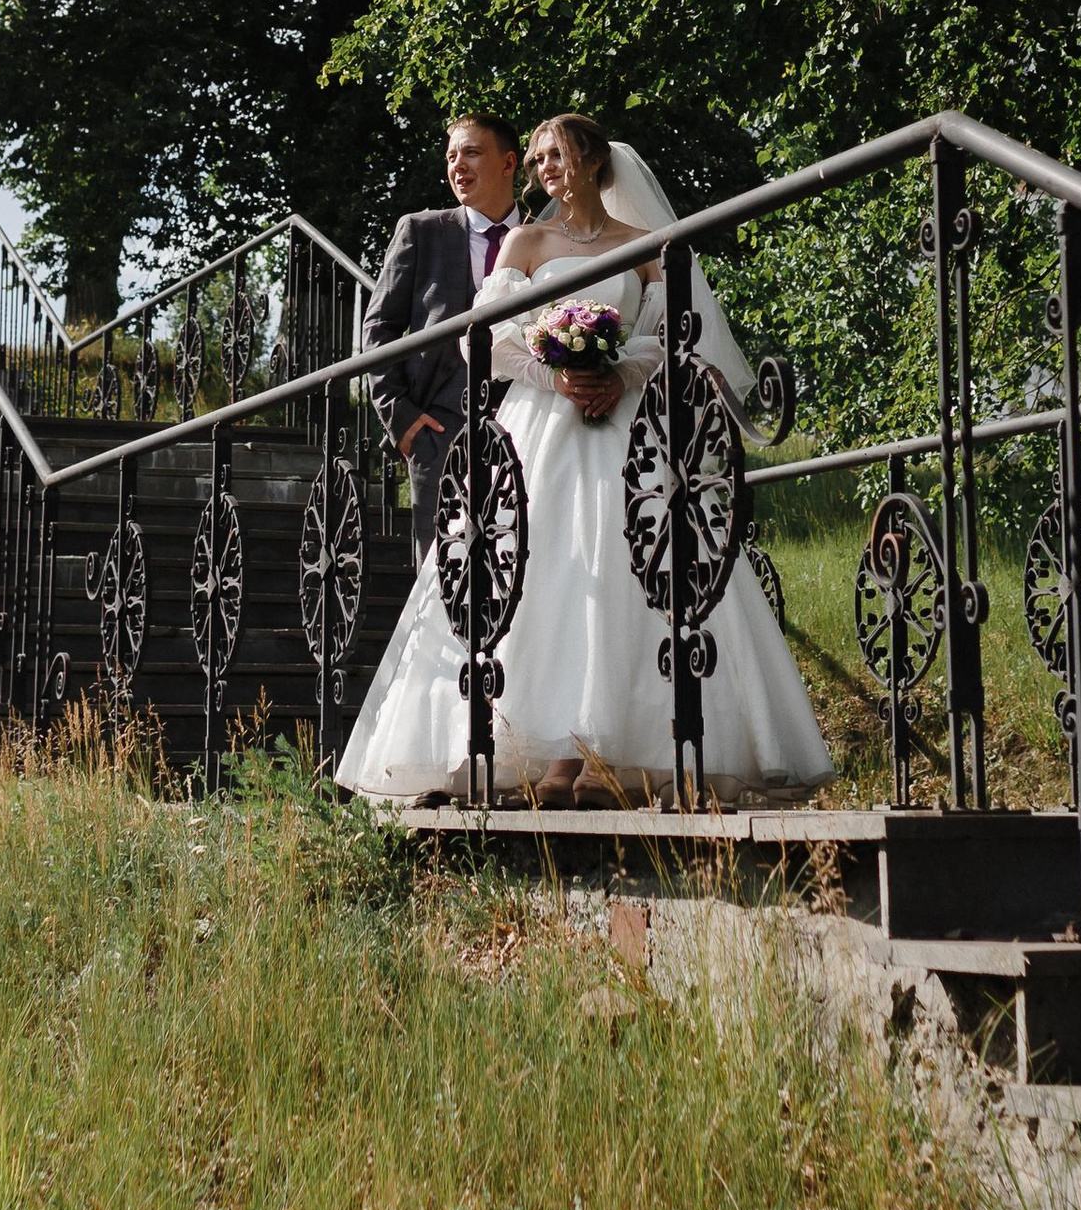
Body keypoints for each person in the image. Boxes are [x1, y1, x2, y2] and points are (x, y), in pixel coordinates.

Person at [338, 112, 831, 809]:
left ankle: (646, 755)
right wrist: (555, 376)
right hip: (543, 426)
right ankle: (554, 762)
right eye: (537, 158)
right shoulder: (526, 241)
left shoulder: (645, 245)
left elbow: (672, 339)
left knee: (638, 568)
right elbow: (485, 340)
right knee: (551, 573)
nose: (545, 169)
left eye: (557, 155)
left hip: (627, 425)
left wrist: (621, 374)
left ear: (596, 163)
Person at [363, 113, 524, 565]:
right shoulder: (421, 231)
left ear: (508, 162)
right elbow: (379, 328)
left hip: (531, 420)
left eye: (472, 152)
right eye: (451, 156)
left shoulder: (543, 236)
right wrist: (402, 419)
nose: (458, 166)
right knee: (443, 573)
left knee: (525, 564)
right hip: (439, 429)